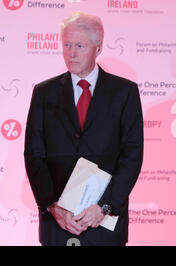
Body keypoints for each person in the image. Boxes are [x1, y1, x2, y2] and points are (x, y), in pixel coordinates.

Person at [24, 11, 143, 246]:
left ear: (98, 47)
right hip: (58, 223)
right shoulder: (43, 93)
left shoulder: (124, 93)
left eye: (80, 45)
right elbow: (34, 155)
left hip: (104, 223)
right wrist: (53, 206)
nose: (71, 53)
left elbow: (132, 156)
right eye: (67, 44)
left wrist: (105, 206)